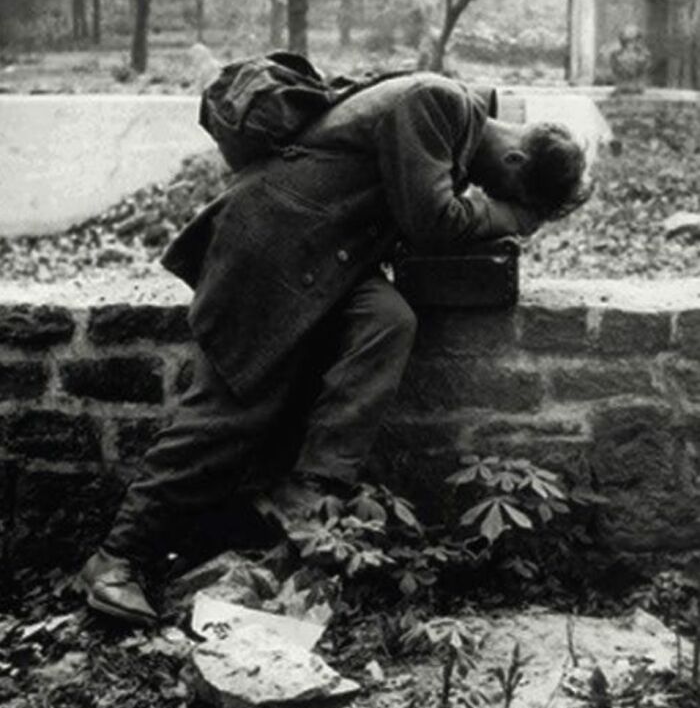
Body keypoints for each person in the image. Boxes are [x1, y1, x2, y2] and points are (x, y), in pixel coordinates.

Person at [78, 70, 588, 625]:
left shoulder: (451, 122)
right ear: (514, 162)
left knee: (387, 321)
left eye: (498, 201)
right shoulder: (436, 104)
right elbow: (433, 220)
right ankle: (115, 560)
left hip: (324, 258)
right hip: (272, 249)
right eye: (500, 193)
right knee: (230, 414)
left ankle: (308, 490)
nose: (486, 197)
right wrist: (511, 217)